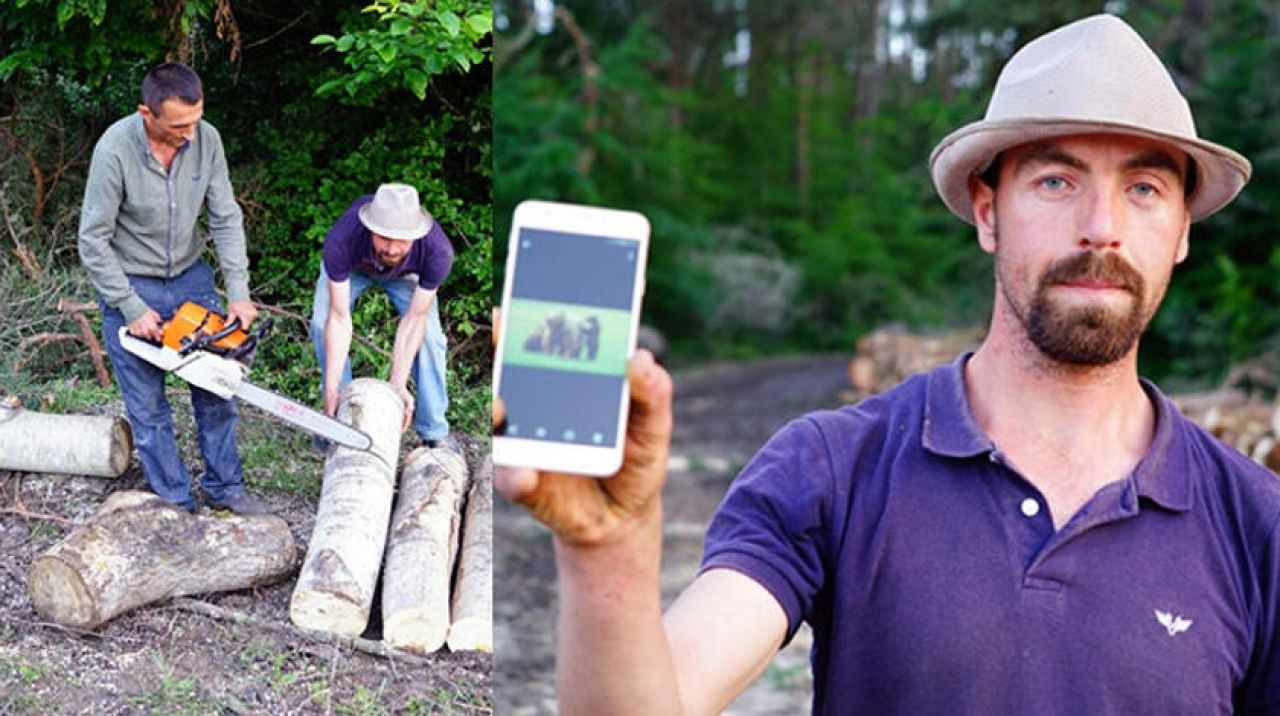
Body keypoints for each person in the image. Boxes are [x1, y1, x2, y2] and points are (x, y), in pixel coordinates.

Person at [494, 14, 1280, 713]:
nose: (1100, 226)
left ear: (1181, 232)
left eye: (1143, 187)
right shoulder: (834, 467)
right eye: (1055, 179)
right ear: (986, 210)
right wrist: (608, 552)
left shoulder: (1258, 525)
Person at [78, 62, 266, 515]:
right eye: (179, 125)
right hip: (132, 282)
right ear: (147, 113)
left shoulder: (207, 140)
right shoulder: (115, 150)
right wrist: (129, 305)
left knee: (217, 390)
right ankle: (175, 502)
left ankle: (225, 487)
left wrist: (238, 291)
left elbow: (224, 216)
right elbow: (92, 239)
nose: (189, 132)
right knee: (148, 408)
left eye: (196, 120)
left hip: (191, 279)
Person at [309, 183, 453, 448]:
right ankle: (338, 415)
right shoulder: (342, 239)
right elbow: (339, 318)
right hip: (353, 269)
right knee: (321, 322)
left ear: (416, 234)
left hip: (407, 275)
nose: (392, 248)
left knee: (431, 338)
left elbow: (415, 320)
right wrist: (331, 389)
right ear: (370, 229)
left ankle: (434, 431)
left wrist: (397, 387)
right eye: (385, 237)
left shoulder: (437, 251)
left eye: (402, 240)